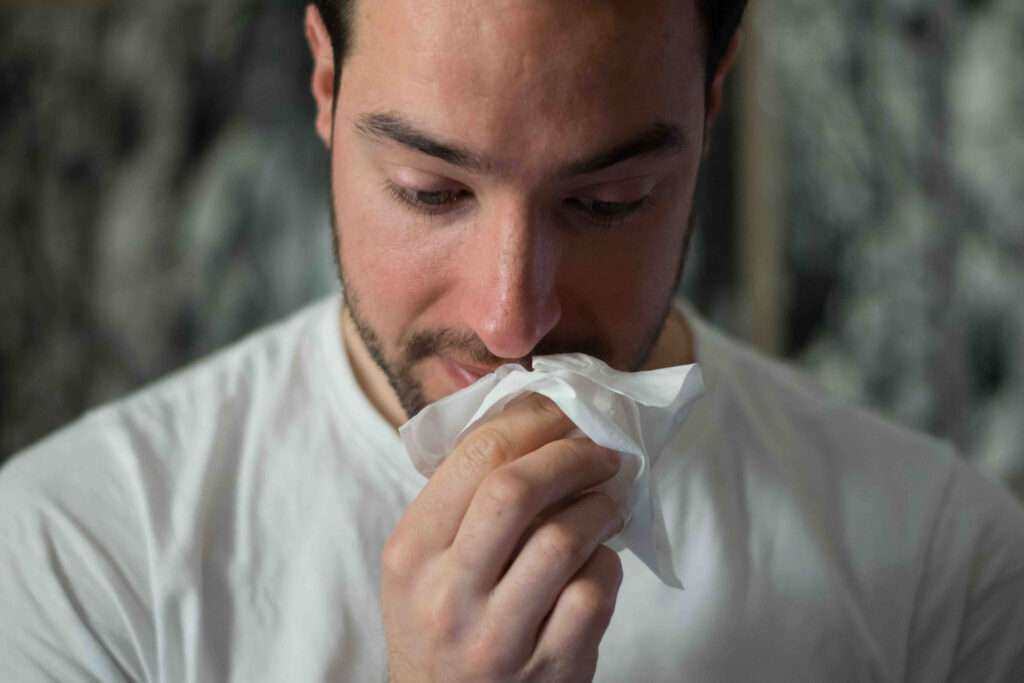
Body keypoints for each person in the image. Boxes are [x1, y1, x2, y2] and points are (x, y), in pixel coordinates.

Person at [2, 0, 1023, 680]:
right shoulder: (79, 559)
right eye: (431, 191)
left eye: (607, 200)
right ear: (323, 81)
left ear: (709, 105)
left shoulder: (942, 569)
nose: (511, 318)